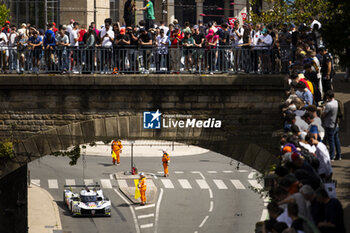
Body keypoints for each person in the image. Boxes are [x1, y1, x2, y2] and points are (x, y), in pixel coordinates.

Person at [321, 90, 341, 160]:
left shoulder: (329, 105)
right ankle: (339, 155)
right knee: (336, 140)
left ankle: (331, 156)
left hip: (329, 125)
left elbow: (323, 115)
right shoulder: (336, 102)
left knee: (331, 142)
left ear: (328, 97)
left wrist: (323, 109)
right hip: (336, 124)